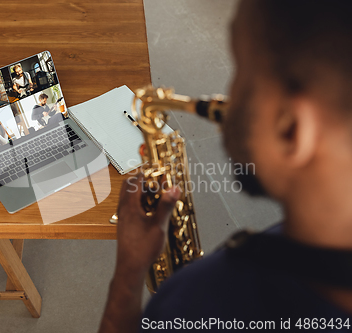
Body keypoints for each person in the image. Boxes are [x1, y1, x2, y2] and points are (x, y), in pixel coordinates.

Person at [99, 0, 352, 332]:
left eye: (242, 71)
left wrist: (128, 275)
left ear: (291, 129)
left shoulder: (196, 306)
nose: (223, 99)